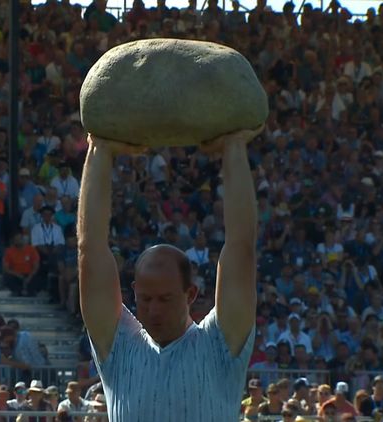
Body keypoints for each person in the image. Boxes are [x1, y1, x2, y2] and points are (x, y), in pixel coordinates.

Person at [78, 127, 262, 420]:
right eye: (146, 298)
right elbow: (90, 249)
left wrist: (234, 148)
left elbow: (241, 248)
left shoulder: (220, 344)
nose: (153, 310)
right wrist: (98, 149)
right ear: (134, 290)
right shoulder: (118, 348)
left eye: (165, 298)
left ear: (191, 294)